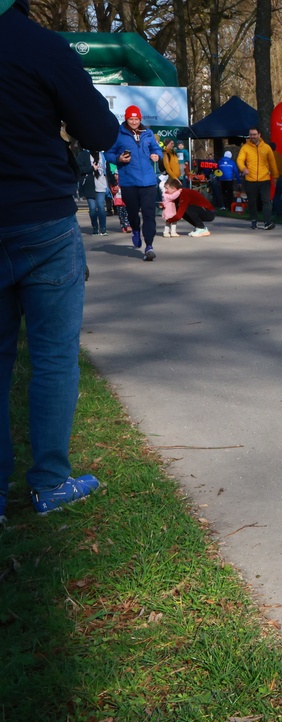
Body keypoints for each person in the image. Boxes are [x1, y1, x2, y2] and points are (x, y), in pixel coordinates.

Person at [0, 0, 117, 521]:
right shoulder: (42, 46)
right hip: (41, 218)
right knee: (52, 356)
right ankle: (49, 482)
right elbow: (101, 131)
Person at [105, 105, 162, 261]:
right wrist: (118, 159)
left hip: (148, 181)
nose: (134, 122)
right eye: (131, 119)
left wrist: (157, 155)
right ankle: (135, 230)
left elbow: (156, 149)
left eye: (137, 119)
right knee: (132, 212)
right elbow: (108, 154)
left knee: (149, 214)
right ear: (126, 119)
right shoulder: (118, 134)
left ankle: (149, 246)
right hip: (129, 181)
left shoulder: (148, 133)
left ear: (140, 119)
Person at [236, 126, 279, 230]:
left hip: (264, 179)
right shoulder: (245, 147)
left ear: (259, 135)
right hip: (250, 180)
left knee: (266, 201)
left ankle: (267, 222)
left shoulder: (266, 148)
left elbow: (272, 163)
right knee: (252, 201)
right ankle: (253, 221)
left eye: (254, 134)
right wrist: (243, 168)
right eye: (251, 135)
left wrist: (275, 176)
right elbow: (239, 160)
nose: (252, 136)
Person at [77, 149, 109, 235]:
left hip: (101, 184)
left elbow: (107, 169)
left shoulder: (102, 155)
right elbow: (79, 169)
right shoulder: (84, 154)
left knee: (101, 206)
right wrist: (91, 168)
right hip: (89, 185)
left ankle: (103, 228)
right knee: (92, 208)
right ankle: (95, 227)